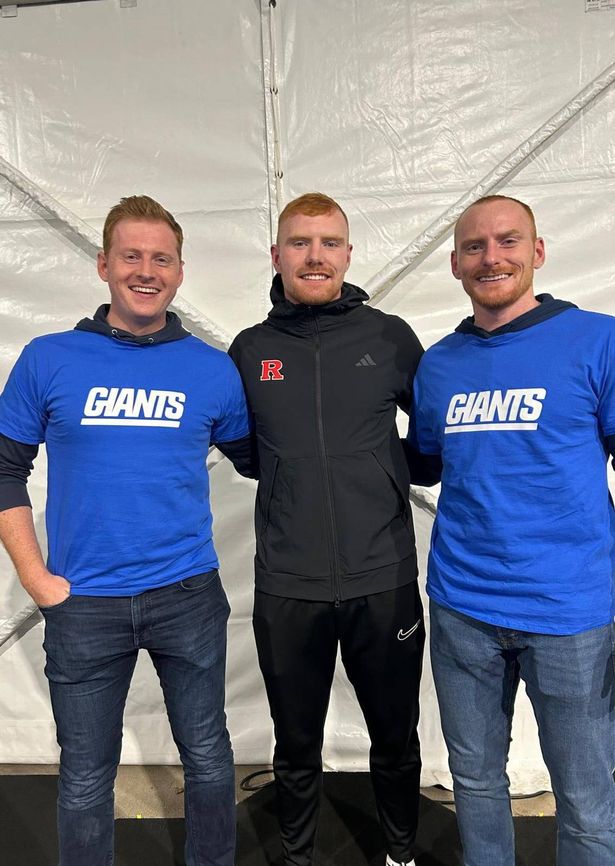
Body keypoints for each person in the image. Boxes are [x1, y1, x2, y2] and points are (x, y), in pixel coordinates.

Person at [0, 195, 254, 866]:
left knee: (206, 758)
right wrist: (35, 578)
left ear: (179, 270)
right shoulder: (50, 359)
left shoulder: (210, 369)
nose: (147, 271)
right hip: (83, 605)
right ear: (104, 264)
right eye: (132, 256)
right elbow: (4, 470)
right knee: (85, 776)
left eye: (161, 258)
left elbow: (262, 461)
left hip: (188, 598)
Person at [410, 194, 615, 866]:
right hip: (462, 605)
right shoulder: (438, 364)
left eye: (506, 241)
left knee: (585, 798)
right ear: (454, 264)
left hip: (571, 611)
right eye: (474, 247)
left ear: (537, 251)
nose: (490, 257)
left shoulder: (596, 340)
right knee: (473, 780)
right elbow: (429, 464)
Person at [229, 192, 434, 866]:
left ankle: (399, 855)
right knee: (293, 743)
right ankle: (296, 857)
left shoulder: (389, 337)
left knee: (395, 738)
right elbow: (249, 452)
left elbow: (430, 442)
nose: (313, 255)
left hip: (383, 581)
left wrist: (374, 474)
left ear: (347, 254)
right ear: (277, 255)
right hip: (289, 586)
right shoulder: (250, 350)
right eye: (299, 242)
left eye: (327, 243)